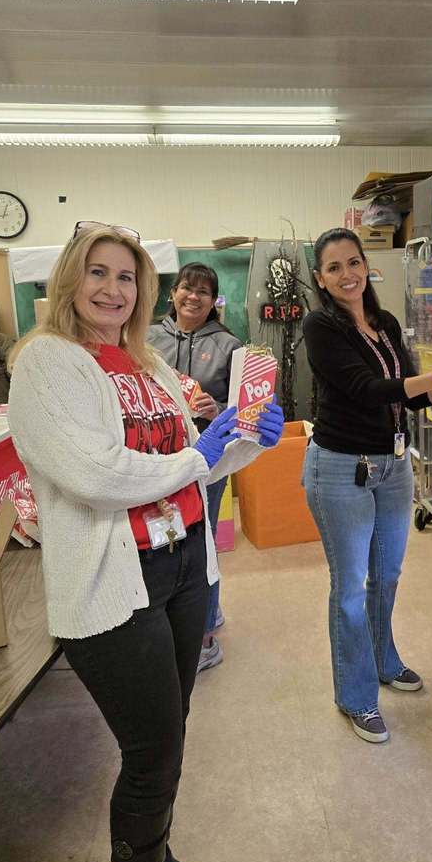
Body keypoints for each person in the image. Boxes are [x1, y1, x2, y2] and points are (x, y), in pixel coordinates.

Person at [7, 222, 284, 862]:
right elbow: (95, 474)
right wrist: (200, 457)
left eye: (126, 277)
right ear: (70, 279)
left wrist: (245, 440)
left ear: (142, 290)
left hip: (185, 562)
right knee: (151, 746)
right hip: (114, 581)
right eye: (97, 273)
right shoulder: (47, 363)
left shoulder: (149, 364)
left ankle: (154, 855)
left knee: (172, 727)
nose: (112, 288)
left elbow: (192, 460)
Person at [302, 227, 432, 744]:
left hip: (392, 465)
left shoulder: (384, 323)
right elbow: (367, 391)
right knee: (348, 589)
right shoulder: (320, 327)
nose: (347, 275)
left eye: (354, 263)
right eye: (335, 268)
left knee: (385, 575)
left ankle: (385, 661)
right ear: (321, 278)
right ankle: (356, 695)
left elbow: (407, 400)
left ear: (367, 267)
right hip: (340, 468)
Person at [149, 262, 242, 671]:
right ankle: (189, 616)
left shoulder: (229, 344)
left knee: (200, 540)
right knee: (165, 538)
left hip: (209, 458)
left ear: (213, 301)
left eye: (204, 292)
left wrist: (216, 407)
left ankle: (203, 636)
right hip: (155, 456)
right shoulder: (145, 337)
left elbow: (246, 410)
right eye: (187, 288)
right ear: (173, 293)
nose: (193, 297)